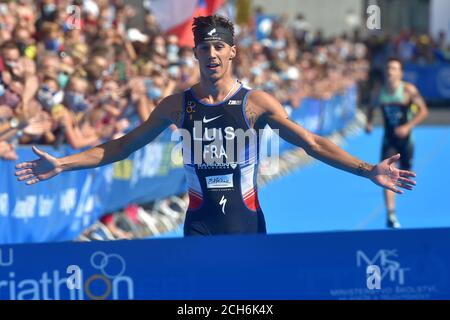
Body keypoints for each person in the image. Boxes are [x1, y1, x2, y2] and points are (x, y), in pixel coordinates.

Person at [15, 15, 417, 236]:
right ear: (195, 54)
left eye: (219, 47)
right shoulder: (177, 106)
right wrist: (64, 164)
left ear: (232, 52)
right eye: (204, 48)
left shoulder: (254, 103)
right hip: (198, 227)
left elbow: (311, 142)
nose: (211, 54)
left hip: (245, 224)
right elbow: (121, 146)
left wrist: (368, 170)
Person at [366, 57, 428, 229]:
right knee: (385, 174)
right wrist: (369, 122)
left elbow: (423, 111)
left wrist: (408, 126)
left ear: (400, 73)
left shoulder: (408, 90)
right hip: (389, 140)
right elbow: (370, 107)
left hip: (406, 141)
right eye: (388, 68)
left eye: (394, 68)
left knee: (406, 173)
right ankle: (391, 214)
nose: (390, 71)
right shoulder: (379, 91)